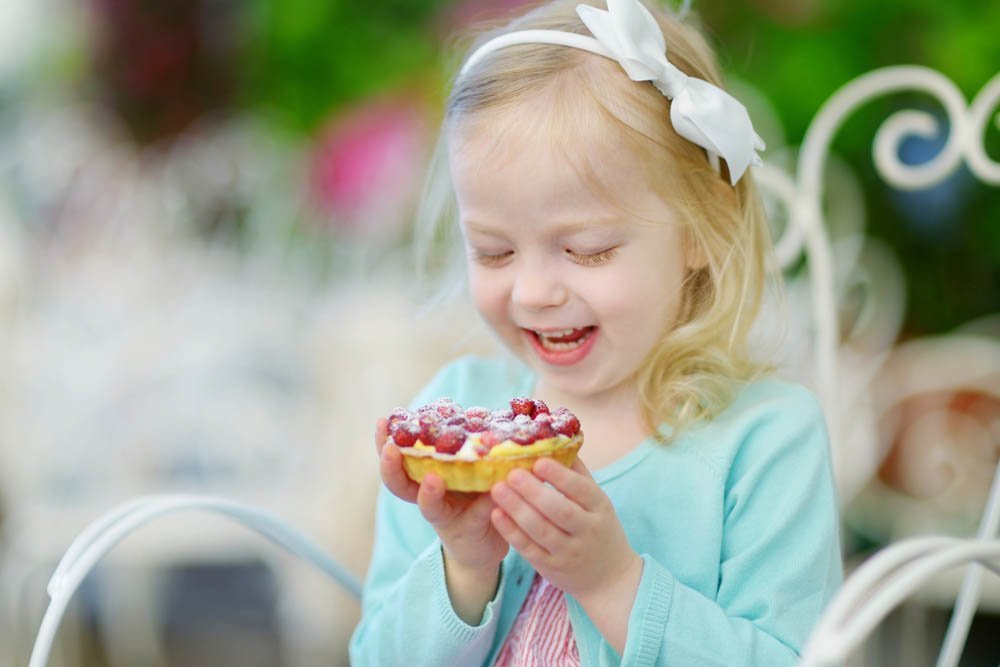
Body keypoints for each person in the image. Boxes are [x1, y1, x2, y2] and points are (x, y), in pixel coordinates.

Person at [349, 0, 841, 664]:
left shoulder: (766, 440)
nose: (533, 291)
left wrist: (613, 581)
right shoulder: (460, 416)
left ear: (698, 228)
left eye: (585, 249)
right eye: (494, 252)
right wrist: (464, 566)